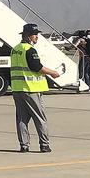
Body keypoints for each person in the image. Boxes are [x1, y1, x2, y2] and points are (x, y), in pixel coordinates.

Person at [11, 23, 60, 152]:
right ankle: (44, 145)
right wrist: (53, 73)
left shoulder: (15, 49)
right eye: (34, 34)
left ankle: (24, 145)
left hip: (17, 89)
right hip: (31, 89)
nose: (37, 36)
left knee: (21, 119)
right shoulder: (29, 50)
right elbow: (37, 67)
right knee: (40, 118)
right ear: (27, 36)